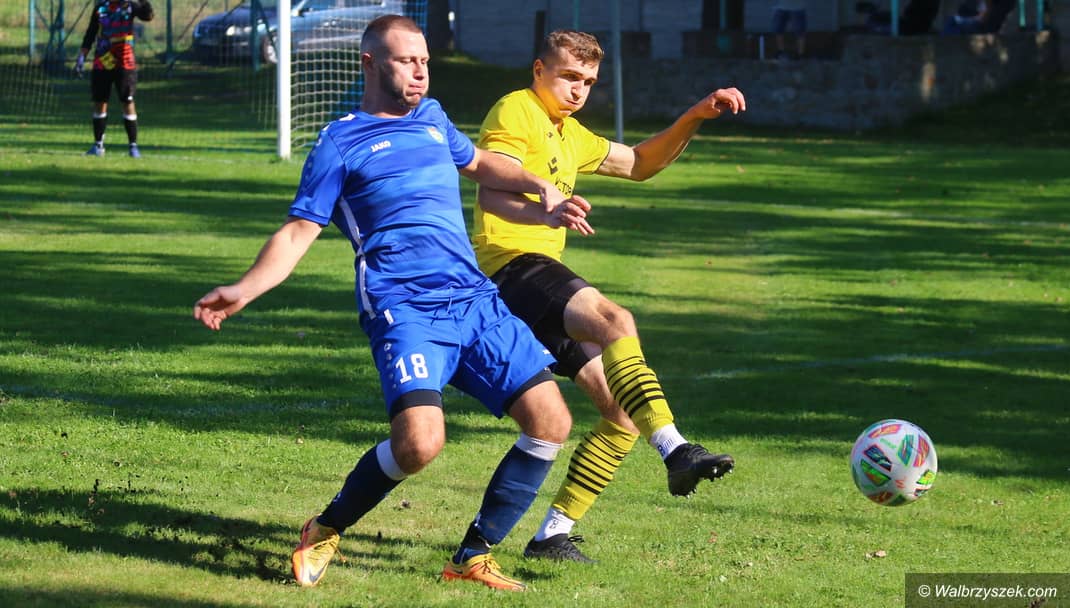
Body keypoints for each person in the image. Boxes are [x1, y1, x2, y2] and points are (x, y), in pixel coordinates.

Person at [194, 15, 588, 591]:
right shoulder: (339, 143)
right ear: (370, 64)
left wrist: (539, 185)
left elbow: (479, 162)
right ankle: (326, 526)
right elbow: (299, 231)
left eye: (425, 60)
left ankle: (473, 556)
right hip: (405, 310)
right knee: (420, 444)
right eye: (407, 61)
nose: (421, 72)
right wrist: (245, 288)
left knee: (551, 420)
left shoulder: (432, 118)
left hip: (474, 301)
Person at [471, 29, 745, 563]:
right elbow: (491, 195)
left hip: (537, 275)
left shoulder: (570, 133)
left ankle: (552, 535)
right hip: (511, 269)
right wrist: (547, 211)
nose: (578, 90)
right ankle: (675, 449)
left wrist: (694, 116)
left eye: (589, 82)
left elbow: (639, 163)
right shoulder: (516, 110)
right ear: (539, 70)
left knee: (621, 411)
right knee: (614, 319)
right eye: (569, 77)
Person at [76, 0, 154, 158]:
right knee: (100, 101)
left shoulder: (130, 6)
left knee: (127, 101)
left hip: (124, 62)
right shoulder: (100, 8)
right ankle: (98, 145)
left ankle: (133, 146)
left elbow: (148, 16)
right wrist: (82, 55)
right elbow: (91, 32)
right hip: (103, 61)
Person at [942, 0, 1016, 34]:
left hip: (984, 27)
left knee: (952, 22)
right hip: (979, 22)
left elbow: (985, 19)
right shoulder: (969, 5)